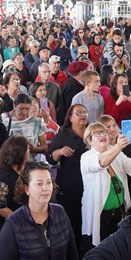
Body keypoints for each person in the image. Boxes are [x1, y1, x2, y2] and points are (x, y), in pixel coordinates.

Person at [80, 120, 131, 248]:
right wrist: (118, 146)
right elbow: (102, 162)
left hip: (119, 212)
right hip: (100, 216)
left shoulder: (115, 151)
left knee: (119, 247)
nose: (102, 135)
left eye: (104, 132)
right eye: (97, 133)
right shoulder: (86, 157)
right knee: (101, 249)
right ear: (89, 141)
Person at [0, 161, 80, 260]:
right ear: (26, 189)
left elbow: (72, 257)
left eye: (49, 182)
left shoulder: (60, 212)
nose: (45, 188)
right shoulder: (13, 223)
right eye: (39, 184)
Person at [46, 104, 89, 243]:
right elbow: (50, 158)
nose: (83, 115)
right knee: (70, 225)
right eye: (78, 113)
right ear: (70, 117)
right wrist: (59, 152)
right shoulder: (63, 135)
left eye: (84, 112)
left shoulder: (92, 133)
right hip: (70, 189)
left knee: (87, 225)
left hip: (90, 188)